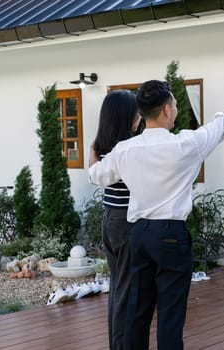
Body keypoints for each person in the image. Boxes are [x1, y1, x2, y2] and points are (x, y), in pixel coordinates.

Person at [88, 80, 224, 350]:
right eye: (177, 106)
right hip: (170, 236)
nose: (177, 111)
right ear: (167, 110)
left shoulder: (125, 150)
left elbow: (96, 174)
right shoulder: (185, 144)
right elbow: (221, 124)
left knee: (137, 312)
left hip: (139, 235)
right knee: (170, 315)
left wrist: (93, 148)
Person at [90, 90, 142, 350]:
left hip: (110, 218)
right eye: (137, 112)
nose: (140, 117)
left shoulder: (103, 146)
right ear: (128, 117)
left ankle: (118, 344)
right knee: (126, 290)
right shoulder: (129, 148)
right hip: (126, 223)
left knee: (119, 285)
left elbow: (93, 174)